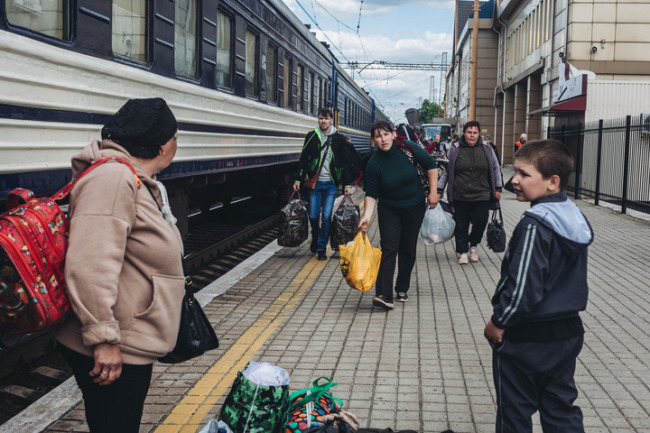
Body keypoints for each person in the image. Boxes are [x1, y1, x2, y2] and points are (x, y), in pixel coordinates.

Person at [56, 98, 185, 433]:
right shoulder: (113, 178)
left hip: (127, 336)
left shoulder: (130, 176)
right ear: (162, 146)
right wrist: (104, 339)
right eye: (175, 138)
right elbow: (91, 262)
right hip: (117, 344)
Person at [484, 139, 593, 432]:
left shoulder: (535, 224)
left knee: (514, 412)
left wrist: (498, 322)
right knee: (560, 408)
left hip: (526, 337)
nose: (513, 181)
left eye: (523, 174)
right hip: (566, 332)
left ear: (552, 182)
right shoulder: (573, 216)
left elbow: (523, 288)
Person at [359, 121, 438, 310]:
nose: (383, 139)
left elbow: (431, 165)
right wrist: (367, 216)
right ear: (373, 140)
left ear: (392, 135)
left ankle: (402, 287)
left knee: (408, 249)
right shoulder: (374, 163)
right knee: (389, 248)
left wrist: (433, 192)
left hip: (414, 206)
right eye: (378, 136)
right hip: (389, 209)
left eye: (385, 134)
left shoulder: (408, 148)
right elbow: (371, 193)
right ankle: (384, 295)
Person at [437, 120, 502, 264]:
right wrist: (439, 190)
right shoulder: (455, 149)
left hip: (482, 193)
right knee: (461, 224)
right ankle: (462, 251)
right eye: (469, 132)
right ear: (464, 133)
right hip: (460, 194)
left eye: (475, 133)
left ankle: (473, 245)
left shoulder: (487, 149)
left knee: (481, 221)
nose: (472, 136)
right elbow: (447, 172)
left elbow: (496, 169)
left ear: (479, 134)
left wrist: (498, 188)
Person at [294, 108, 353, 260]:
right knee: (313, 216)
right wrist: (298, 179)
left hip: (331, 185)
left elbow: (346, 162)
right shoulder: (312, 136)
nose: (323, 121)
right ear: (318, 119)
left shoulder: (339, 139)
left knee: (326, 216)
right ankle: (316, 235)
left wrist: (347, 185)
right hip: (315, 183)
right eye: (321, 118)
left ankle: (321, 248)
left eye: (326, 119)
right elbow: (303, 159)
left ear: (331, 120)